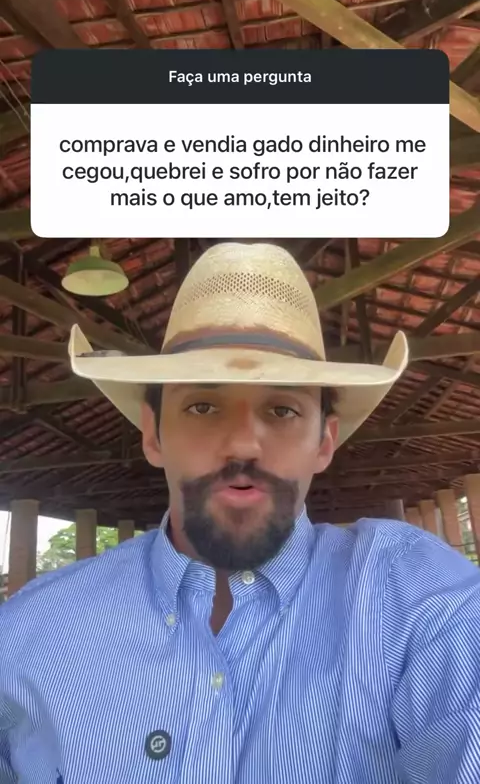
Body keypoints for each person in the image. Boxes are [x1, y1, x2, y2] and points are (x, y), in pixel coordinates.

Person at [1, 242, 479, 784]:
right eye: (203, 406)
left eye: (283, 409)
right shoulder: (27, 636)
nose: (243, 444)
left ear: (324, 443)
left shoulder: (413, 601)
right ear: (153, 435)